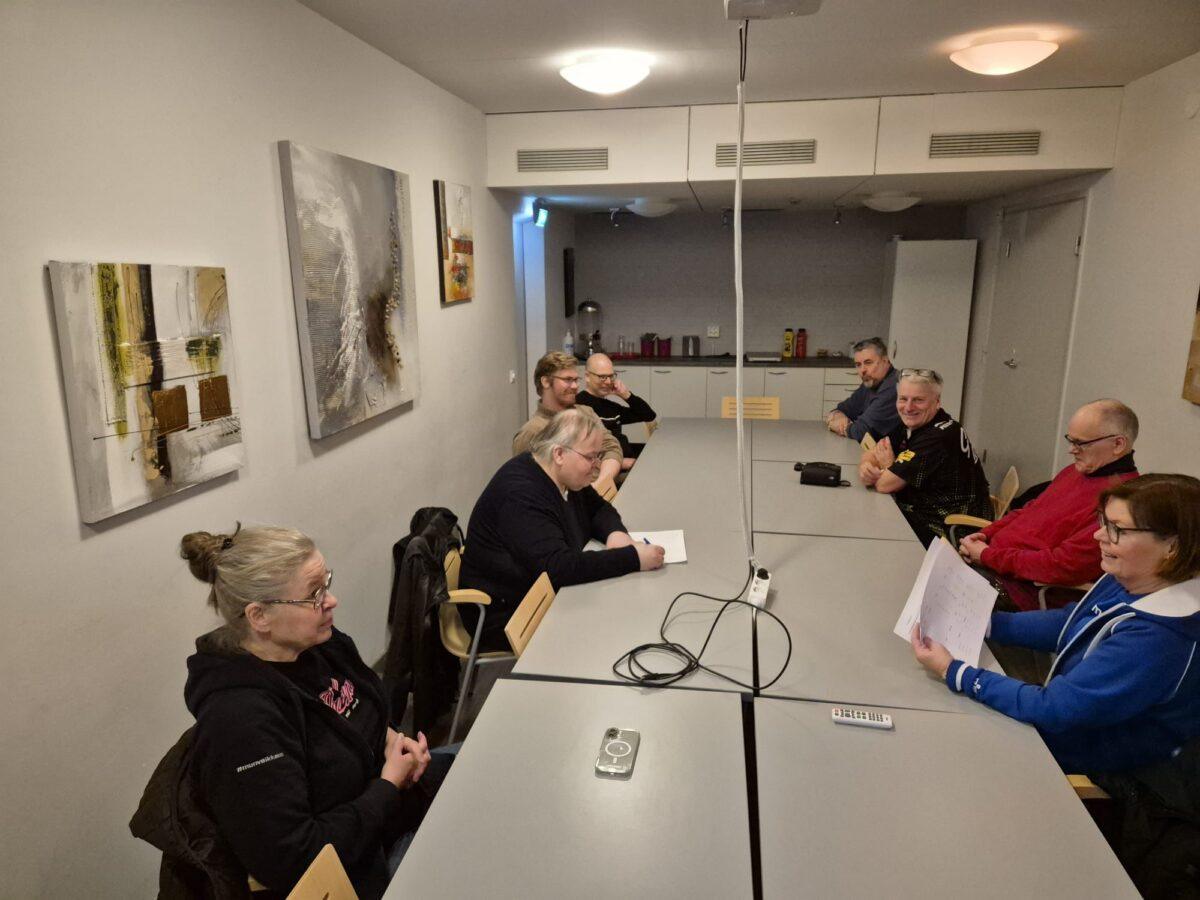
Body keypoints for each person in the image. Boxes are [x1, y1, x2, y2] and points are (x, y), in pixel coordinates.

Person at [180, 525, 449, 899]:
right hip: (359, 868)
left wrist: (392, 739)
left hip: (389, 808)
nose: (331, 600)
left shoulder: (318, 645)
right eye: (314, 594)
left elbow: (365, 709)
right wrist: (388, 786)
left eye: (327, 584)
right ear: (259, 616)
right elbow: (295, 858)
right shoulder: (240, 722)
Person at [912, 474, 1200, 775]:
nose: (1098, 535)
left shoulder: (1159, 639)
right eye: (1103, 522)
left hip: (1075, 761)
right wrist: (984, 624)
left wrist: (955, 672)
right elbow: (1071, 622)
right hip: (1060, 721)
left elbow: (1053, 709)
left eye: (1117, 529)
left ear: (1172, 547)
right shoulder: (1140, 577)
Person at [462, 407, 665, 649]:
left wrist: (616, 535)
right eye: (590, 457)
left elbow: (598, 508)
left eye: (598, 456)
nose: (596, 466)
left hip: (538, 594)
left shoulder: (562, 474)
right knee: (614, 630)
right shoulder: (520, 494)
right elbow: (559, 568)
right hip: (506, 613)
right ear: (559, 454)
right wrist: (632, 558)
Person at [959, 399, 1140, 610]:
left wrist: (987, 556)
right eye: (1070, 440)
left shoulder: (1120, 502)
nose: (1071, 450)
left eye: (1081, 443)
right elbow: (1029, 510)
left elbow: (1061, 565)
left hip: (1020, 591)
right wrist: (983, 535)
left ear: (1118, 444)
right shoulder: (1076, 471)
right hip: (993, 564)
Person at [858, 368, 991, 546]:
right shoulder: (914, 423)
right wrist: (866, 467)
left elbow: (884, 484)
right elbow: (872, 452)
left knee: (867, 528)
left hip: (950, 529)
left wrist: (889, 465)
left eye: (918, 400)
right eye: (903, 399)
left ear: (937, 402)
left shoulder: (939, 437)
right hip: (925, 513)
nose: (908, 407)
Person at [513, 351, 622, 482]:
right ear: (546, 381)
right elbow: (525, 482)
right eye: (568, 380)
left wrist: (601, 483)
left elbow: (611, 447)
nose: (575, 386)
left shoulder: (586, 413)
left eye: (576, 380)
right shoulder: (532, 432)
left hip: (604, 486)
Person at [574, 352, 655, 463]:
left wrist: (626, 395)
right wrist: (622, 463)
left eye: (611, 376)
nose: (608, 382)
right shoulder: (578, 405)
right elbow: (581, 454)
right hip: (612, 466)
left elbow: (648, 415)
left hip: (624, 458)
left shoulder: (610, 406)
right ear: (587, 377)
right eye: (602, 377)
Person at [825, 337, 900, 441]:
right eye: (858, 365)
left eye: (868, 362)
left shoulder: (893, 388)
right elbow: (843, 409)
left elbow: (861, 432)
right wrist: (836, 415)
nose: (862, 370)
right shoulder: (871, 382)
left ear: (885, 361)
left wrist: (836, 424)